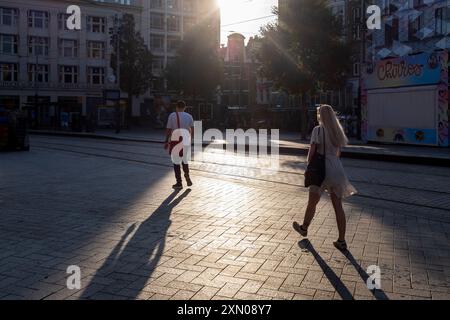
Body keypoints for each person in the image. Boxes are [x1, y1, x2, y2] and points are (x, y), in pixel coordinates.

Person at [293, 104, 357, 251]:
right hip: (336, 169)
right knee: (338, 206)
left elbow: (312, 152)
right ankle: (341, 241)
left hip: (321, 170)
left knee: (312, 202)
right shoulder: (337, 131)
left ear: (320, 116)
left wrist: (309, 167)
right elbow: (337, 154)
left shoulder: (318, 130)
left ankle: (304, 228)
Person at [164, 101, 194, 189]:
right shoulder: (189, 116)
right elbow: (192, 129)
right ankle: (187, 175)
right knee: (184, 160)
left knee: (176, 162)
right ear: (185, 107)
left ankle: (179, 183)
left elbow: (168, 129)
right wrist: (190, 139)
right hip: (185, 140)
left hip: (175, 140)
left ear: (176, 107)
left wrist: (166, 140)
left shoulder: (172, 115)